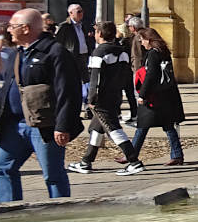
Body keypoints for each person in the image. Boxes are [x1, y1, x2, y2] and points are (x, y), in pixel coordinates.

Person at [0, 8, 82, 201]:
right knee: (2, 166)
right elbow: (8, 88)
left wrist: (63, 125)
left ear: (25, 28)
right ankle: (11, 211)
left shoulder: (55, 52)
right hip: (16, 126)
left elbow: (67, 91)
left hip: (44, 126)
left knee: (52, 175)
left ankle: (59, 216)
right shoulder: (20, 53)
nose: (8, 30)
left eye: (12, 26)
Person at [66, 21, 144, 176]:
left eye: (96, 32)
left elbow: (95, 79)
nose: (95, 35)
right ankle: (86, 162)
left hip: (101, 99)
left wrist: (91, 99)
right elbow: (124, 75)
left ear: (100, 34)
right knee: (97, 128)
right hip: (115, 95)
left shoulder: (99, 53)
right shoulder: (122, 52)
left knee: (113, 128)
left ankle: (134, 161)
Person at [127, 27, 185, 171]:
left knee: (143, 125)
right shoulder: (164, 51)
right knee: (166, 125)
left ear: (149, 39)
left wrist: (142, 95)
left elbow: (150, 75)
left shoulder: (153, 54)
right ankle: (177, 155)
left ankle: (131, 155)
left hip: (155, 96)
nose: (141, 43)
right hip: (166, 95)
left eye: (142, 40)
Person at [55, 3, 95, 103]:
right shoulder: (65, 26)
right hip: (72, 57)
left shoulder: (83, 25)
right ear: (71, 13)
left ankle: (87, 105)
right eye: (78, 11)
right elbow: (58, 43)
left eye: (82, 11)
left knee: (86, 80)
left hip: (84, 56)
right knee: (73, 81)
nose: (81, 14)